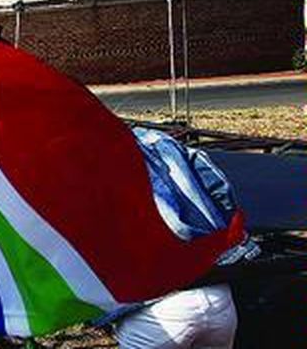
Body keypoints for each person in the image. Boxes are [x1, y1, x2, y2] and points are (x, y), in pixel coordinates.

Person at [108, 127, 259, 349]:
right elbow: (218, 186)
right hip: (217, 294)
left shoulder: (83, 159)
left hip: (153, 313)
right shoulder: (156, 139)